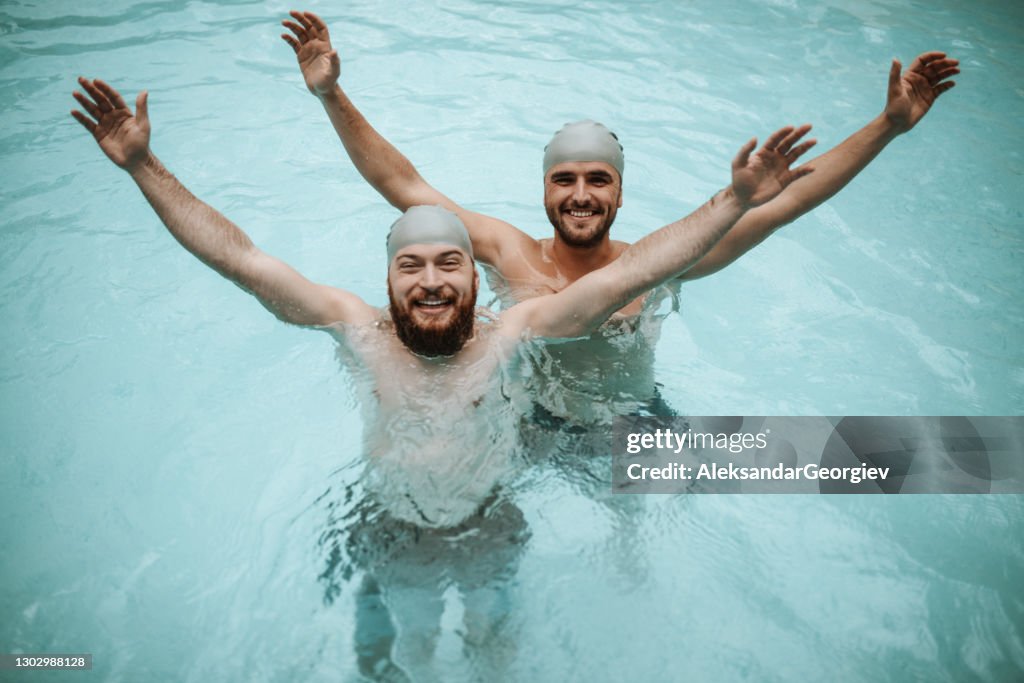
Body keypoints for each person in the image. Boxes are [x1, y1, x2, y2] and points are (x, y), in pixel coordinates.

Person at [70, 76, 813, 528]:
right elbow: (240, 257)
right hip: (411, 508)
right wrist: (144, 167)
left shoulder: (512, 329)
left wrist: (733, 198)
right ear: (387, 280)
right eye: (413, 267)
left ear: (471, 276)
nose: (431, 280)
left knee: (793, 467)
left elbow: (632, 276)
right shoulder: (363, 325)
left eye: (448, 264)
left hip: (549, 476)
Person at [280, 9, 959, 422]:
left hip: (634, 421)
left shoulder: (662, 260)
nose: (581, 194)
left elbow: (793, 202)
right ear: (544, 189)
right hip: (529, 425)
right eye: (565, 179)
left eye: (598, 180)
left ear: (620, 193)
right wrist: (331, 93)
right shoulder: (504, 249)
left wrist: (888, 127)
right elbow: (402, 183)